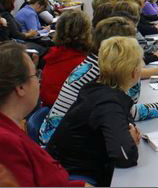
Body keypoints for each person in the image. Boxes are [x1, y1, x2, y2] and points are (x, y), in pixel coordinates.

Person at [39, 16, 158, 145]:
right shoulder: (102, 73)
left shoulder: (94, 62)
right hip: (60, 147)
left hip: (60, 139)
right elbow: (128, 111)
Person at [47, 36, 143, 186]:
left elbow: (123, 118)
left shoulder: (96, 88)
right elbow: (125, 156)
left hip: (66, 167)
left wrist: (128, 129)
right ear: (133, 72)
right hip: (76, 176)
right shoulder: (108, 102)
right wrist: (129, 141)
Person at [0, 42, 88, 187]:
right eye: (36, 74)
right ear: (20, 87)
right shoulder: (6, 143)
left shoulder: (12, 129)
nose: (39, 80)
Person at [40, 10, 92, 107]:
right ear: (86, 32)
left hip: (49, 108)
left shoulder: (52, 55)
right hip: (68, 111)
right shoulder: (85, 64)